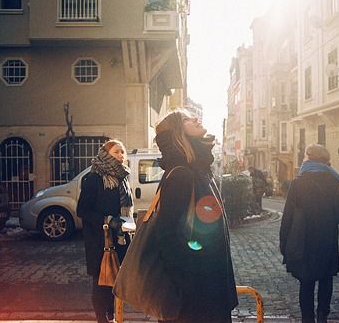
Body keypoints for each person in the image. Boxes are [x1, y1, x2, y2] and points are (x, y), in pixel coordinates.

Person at [153, 109, 238, 323]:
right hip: (197, 301)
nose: (196, 118)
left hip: (207, 293)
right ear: (178, 134)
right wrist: (191, 285)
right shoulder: (182, 175)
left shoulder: (198, 170)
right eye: (187, 119)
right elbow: (168, 237)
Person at [279, 143, 339, 323]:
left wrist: (284, 244)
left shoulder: (298, 182)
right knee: (326, 279)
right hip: (327, 239)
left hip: (304, 240)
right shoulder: (336, 181)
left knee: (306, 282)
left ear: (309, 158)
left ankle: (307, 319)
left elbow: (287, 217)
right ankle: (322, 316)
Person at [76, 139, 133, 323]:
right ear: (105, 154)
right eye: (116, 152)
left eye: (123, 152)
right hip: (100, 239)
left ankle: (113, 314)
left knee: (117, 280)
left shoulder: (123, 178)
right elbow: (82, 210)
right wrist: (107, 220)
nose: (121, 156)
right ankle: (102, 318)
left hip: (120, 236)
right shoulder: (94, 178)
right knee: (101, 282)